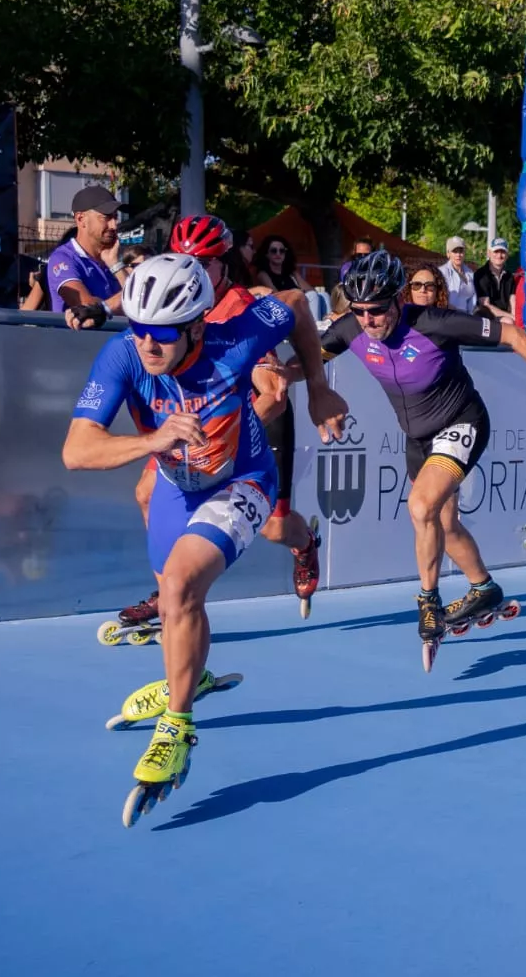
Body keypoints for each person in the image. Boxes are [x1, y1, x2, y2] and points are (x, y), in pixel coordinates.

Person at [63, 253, 347, 825]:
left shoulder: (235, 339)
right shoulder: (122, 353)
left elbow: (293, 305)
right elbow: (76, 451)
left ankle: (178, 725)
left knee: (183, 586)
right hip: (176, 483)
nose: (147, 344)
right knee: (171, 596)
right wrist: (151, 442)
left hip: (243, 477)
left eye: (161, 334)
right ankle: (186, 678)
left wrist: (317, 387)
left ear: (196, 326)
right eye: (139, 329)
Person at [318, 250, 526, 667]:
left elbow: (512, 335)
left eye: (377, 311)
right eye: (360, 312)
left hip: (461, 423)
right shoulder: (353, 329)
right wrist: (272, 370)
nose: (368, 321)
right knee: (443, 522)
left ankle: (427, 600)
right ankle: (484, 588)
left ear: (398, 299)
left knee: (420, 506)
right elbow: (308, 362)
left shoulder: (432, 322)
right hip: (417, 439)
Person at [102, 216, 336, 641]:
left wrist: (220, 428)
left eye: (205, 262)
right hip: (191, 436)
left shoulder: (244, 309)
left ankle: (305, 545)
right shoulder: (167, 302)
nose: (194, 268)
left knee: (275, 528)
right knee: (144, 491)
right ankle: (171, 590)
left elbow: (273, 395)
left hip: (250, 435)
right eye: (184, 258)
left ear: (224, 265)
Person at [45, 186, 126, 327]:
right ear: (81, 219)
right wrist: (132, 297)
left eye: (115, 217)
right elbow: (87, 308)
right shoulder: (63, 258)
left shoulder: (114, 258)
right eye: (106, 217)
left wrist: (116, 265)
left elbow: (145, 307)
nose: (114, 225)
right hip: (80, 346)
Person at [475, 238, 518, 323]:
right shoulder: (481, 275)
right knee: (509, 321)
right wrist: (511, 317)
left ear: (507, 255)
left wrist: (516, 318)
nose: (499, 255)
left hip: (506, 317)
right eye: (496, 251)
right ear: (489, 253)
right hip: (485, 317)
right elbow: (485, 306)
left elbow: (513, 302)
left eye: (503, 252)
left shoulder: (509, 276)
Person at [435, 237, 478, 313]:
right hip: (448, 315)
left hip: (468, 317)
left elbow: (472, 299)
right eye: (454, 251)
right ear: (448, 253)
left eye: (461, 251)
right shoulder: (441, 272)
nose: (458, 255)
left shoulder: (470, 273)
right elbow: (437, 296)